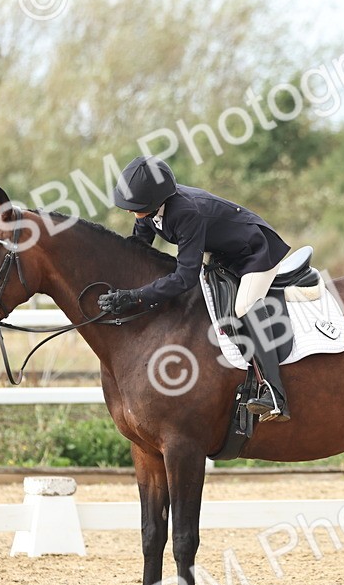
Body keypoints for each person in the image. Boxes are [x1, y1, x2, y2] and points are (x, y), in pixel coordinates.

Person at [98, 156, 293, 422]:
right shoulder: (150, 209)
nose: (130, 211)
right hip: (225, 254)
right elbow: (138, 250)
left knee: (244, 305)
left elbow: (185, 276)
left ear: (155, 201)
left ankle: (273, 392)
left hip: (256, 253)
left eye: (136, 206)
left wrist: (138, 297)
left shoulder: (186, 212)